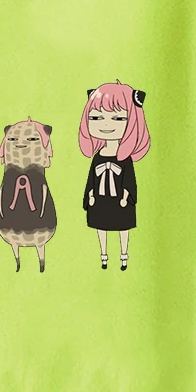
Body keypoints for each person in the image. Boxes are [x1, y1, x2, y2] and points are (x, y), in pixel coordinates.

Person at [78, 81, 151, 270]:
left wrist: (127, 197)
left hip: (120, 200)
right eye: (96, 117)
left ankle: (123, 255)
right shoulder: (97, 157)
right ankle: (104, 255)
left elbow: (129, 181)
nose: (106, 124)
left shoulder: (126, 159)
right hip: (101, 199)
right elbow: (91, 180)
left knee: (123, 228)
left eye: (118, 118)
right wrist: (90, 196)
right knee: (100, 228)